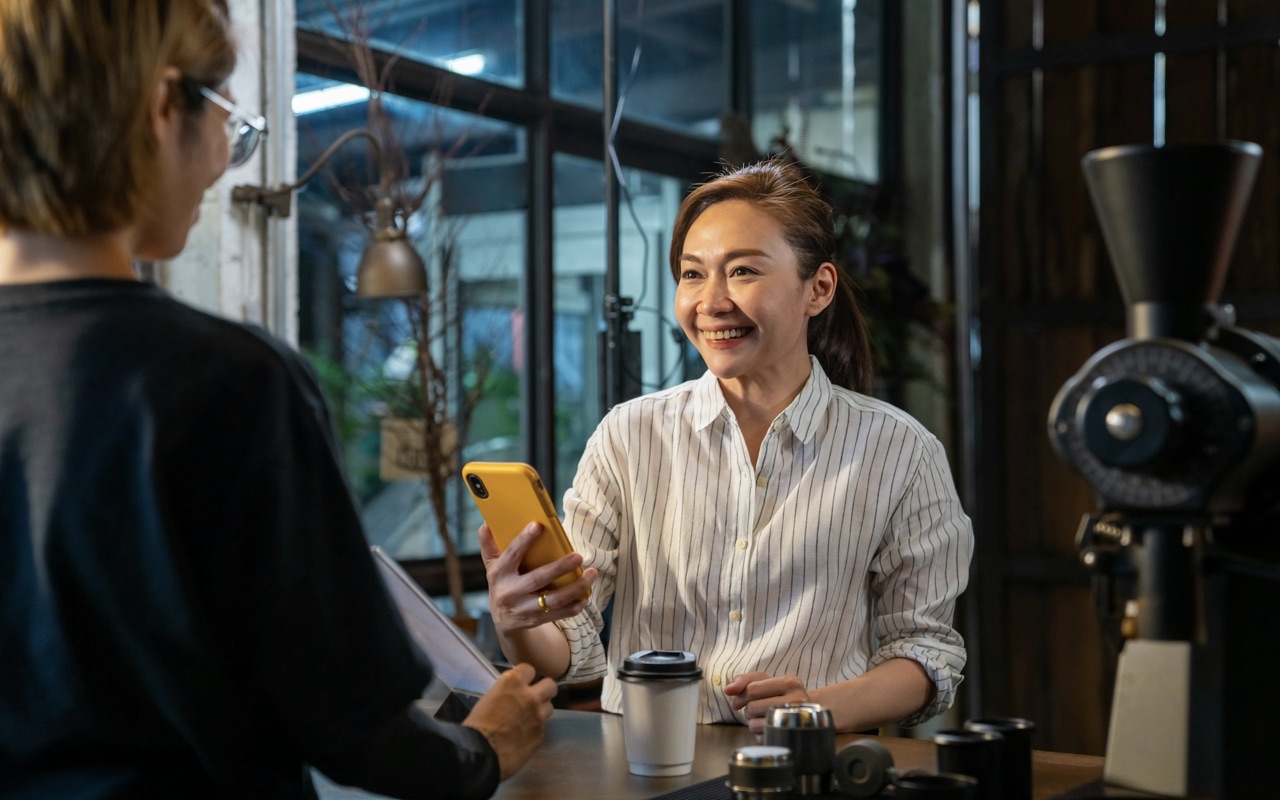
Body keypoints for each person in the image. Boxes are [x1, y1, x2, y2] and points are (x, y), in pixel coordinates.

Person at [0, 2, 555, 798]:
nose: (226, 152)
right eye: (225, 112)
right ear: (162, 109)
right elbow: (356, 734)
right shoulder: (224, 383)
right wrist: (486, 748)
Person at [481, 158, 974, 736]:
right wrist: (515, 619)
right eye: (692, 274)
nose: (711, 302)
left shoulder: (901, 451)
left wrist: (819, 710)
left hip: (807, 771)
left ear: (818, 289)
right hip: (644, 771)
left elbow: (926, 651)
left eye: (743, 271)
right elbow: (574, 645)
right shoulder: (627, 435)